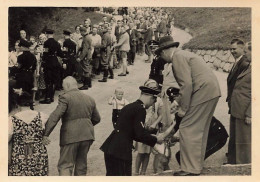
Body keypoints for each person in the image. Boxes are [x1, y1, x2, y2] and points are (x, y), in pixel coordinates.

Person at [155, 36, 221, 176]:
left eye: (160, 54)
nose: (161, 57)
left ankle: (190, 169)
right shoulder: (184, 54)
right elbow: (188, 84)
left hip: (202, 91)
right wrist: (177, 102)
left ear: (166, 51)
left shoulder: (177, 58)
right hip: (210, 91)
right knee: (199, 129)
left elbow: (187, 85)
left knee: (187, 128)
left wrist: (182, 109)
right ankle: (196, 165)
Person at [100, 79, 168, 176]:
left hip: (111, 147)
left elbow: (134, 132)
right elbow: (140, 134)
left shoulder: (130, 106)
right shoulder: (141, 109)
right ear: (150, 97)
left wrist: (152, 138)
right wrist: (155, 140)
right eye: (154, 101)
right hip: (121, 150)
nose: (152, 104)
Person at [42, 76, 101, 176]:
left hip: (70, 136)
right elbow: (97, 118)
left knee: (66, 165)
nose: (63, 89)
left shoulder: (65, 97)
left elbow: (55, 116)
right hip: (87, 135)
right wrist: (85, 125)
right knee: (81, 166)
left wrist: (45, 133)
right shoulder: (89, 98)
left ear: (68, 85)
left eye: (63, 87)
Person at [8, 88, 49, 176]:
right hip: (38, 153)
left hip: (19, 155)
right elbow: (46, 128)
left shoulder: (12, 119)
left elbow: (7, 138)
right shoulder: (42, 116)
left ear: (17, 105)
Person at [226, 39, 251, 164]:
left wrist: (250, 113)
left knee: (242, 139)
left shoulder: (245, 64)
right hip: (236, 105)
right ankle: (233, 161)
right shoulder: (243, 63)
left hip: (243, 107)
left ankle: (240, 165)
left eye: (234, 49)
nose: (232, 51)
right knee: (235, 136)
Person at [40, 29, 64, 104]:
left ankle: (47, 98)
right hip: (55, 62)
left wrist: (43, 64)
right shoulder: (56, 43)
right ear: (52, 34)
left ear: (47, 34)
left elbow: (45, 54)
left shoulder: (46, 43)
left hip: (48, 62)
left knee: (48, 81)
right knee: (53, 80)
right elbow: (61, 54)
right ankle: (52, 97)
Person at [15, 39, 37, 109]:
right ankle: (30, 101)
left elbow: (19, 67)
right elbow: (34, 66)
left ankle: (20, 102)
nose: (20, 48)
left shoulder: (20, 57)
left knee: (19, 87)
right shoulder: (33, 56)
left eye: (20, 46)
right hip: (30, 75)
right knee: (29, 88)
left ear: (23, 47)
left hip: (22, 75)